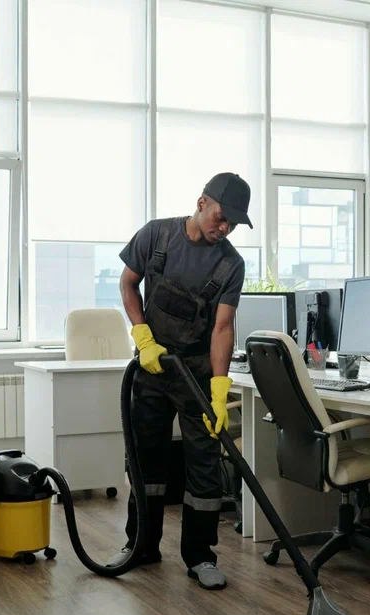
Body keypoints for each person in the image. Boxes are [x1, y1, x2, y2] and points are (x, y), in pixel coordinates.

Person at [115, 172, 249, 590]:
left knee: (204, 466)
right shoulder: (157, 236)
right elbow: (128, 283)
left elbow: (222, 327)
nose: (224, 228)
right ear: (201, 202)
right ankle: (140, 545)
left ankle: (200, 555)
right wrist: (142, 335)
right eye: (221, 217)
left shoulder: (230, 264)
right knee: (146, 460)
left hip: (196, 374)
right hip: (152, 368)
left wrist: (220, 389)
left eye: (232, 224)